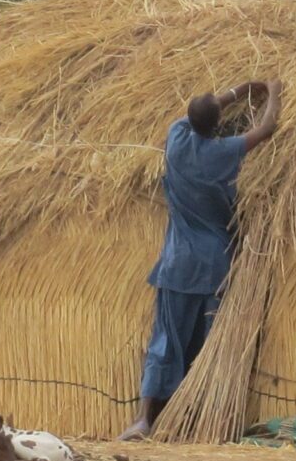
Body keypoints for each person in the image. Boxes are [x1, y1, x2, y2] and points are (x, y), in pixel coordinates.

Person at [121, 79, 284, 442]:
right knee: (210, 344)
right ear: (217, 125)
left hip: (177, 264)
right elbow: (267, 127)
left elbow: (208, 107)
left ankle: (145, 419)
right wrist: (271, 92)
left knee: (166, 340)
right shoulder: (224, 151)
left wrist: (239, 89)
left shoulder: (176, 138)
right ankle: (202, 420)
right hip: (215, 264)